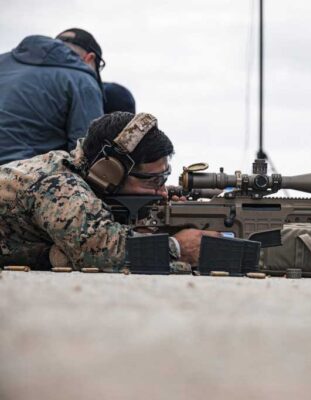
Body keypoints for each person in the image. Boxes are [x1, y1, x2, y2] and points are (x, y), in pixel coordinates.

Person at [0, 112, 215, 271]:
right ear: (110, 172)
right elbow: (101, 251)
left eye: (164, 178)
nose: (162, 191)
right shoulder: (58, 185)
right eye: (153, 180)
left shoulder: (80, 173)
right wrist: (177, 247)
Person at [0, 28, 104, 165]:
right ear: (90, 58)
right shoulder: (82, 79)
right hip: (19, 177)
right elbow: (88, 153)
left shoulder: (3, 62)